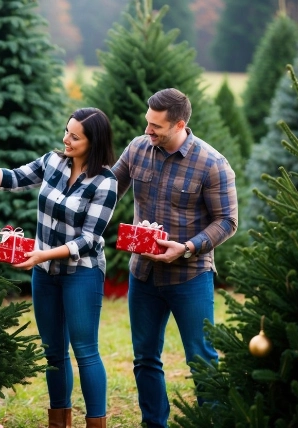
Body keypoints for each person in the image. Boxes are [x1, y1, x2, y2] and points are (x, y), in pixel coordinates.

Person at [0, 108, 117, 428]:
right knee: (53, 352)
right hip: (45, 273)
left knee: (85, 350)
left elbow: (88, 240)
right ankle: (59, 422)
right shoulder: (53, 162)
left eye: (75, 136)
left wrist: (42, 255)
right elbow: (10, 178)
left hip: (81, 272)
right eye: (66, 131)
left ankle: (95, 423)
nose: (66, 139)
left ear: (94, 141)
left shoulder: (105, 182)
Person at [112, 88, 238, 427]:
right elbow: (109, 188)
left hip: (190, 276)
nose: (147, 131)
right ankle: (155, 424)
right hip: (143, 274)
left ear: (179, 124)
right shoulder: (138, 148)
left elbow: (227, 221)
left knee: (201, 359)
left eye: (156, 126)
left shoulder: (212, 163)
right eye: (146, 123)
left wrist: (186, 247)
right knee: (145, 359)